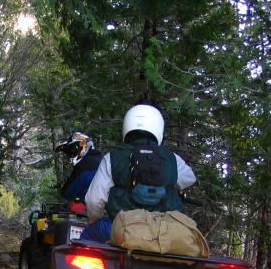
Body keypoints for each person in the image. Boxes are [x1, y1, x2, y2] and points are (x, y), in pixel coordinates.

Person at [82, 104, 196, 242]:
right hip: (163, 232)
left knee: (86, 236)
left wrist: (94, 219)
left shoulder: (112, 157)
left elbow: (94, 200)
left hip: (122, 230)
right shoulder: (172, 158)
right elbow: (189, 178)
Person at [54, 132, 103, 215]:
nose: (71, 155)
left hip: (93, 214)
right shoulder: (104, 160)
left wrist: (64, 185)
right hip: (111, 212)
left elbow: (67, 193)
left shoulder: (83, 166)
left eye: (72, 151)